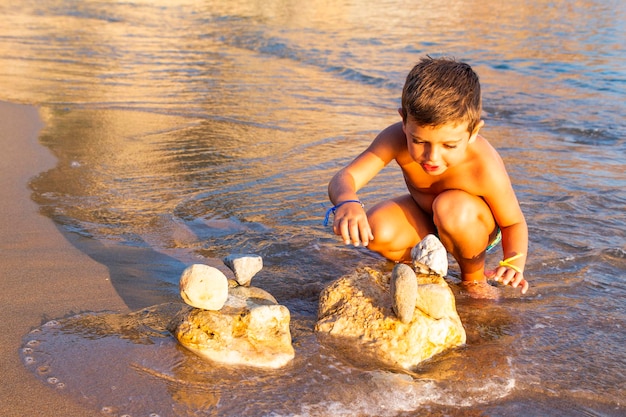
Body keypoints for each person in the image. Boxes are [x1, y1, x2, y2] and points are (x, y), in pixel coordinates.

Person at [326, 56, 529, 301]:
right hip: (426, 218)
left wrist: (513, 263)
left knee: (451, 207)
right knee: (377, 228)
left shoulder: (483, 166)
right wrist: (347, 202)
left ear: (473, 132)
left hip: (470, 224)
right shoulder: (395, 139)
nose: (432, 156)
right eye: (419, 141)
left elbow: (513, 223)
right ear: (404, 121)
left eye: (449, 145)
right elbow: (345, 177)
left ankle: (473, 280)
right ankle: (425, 267)